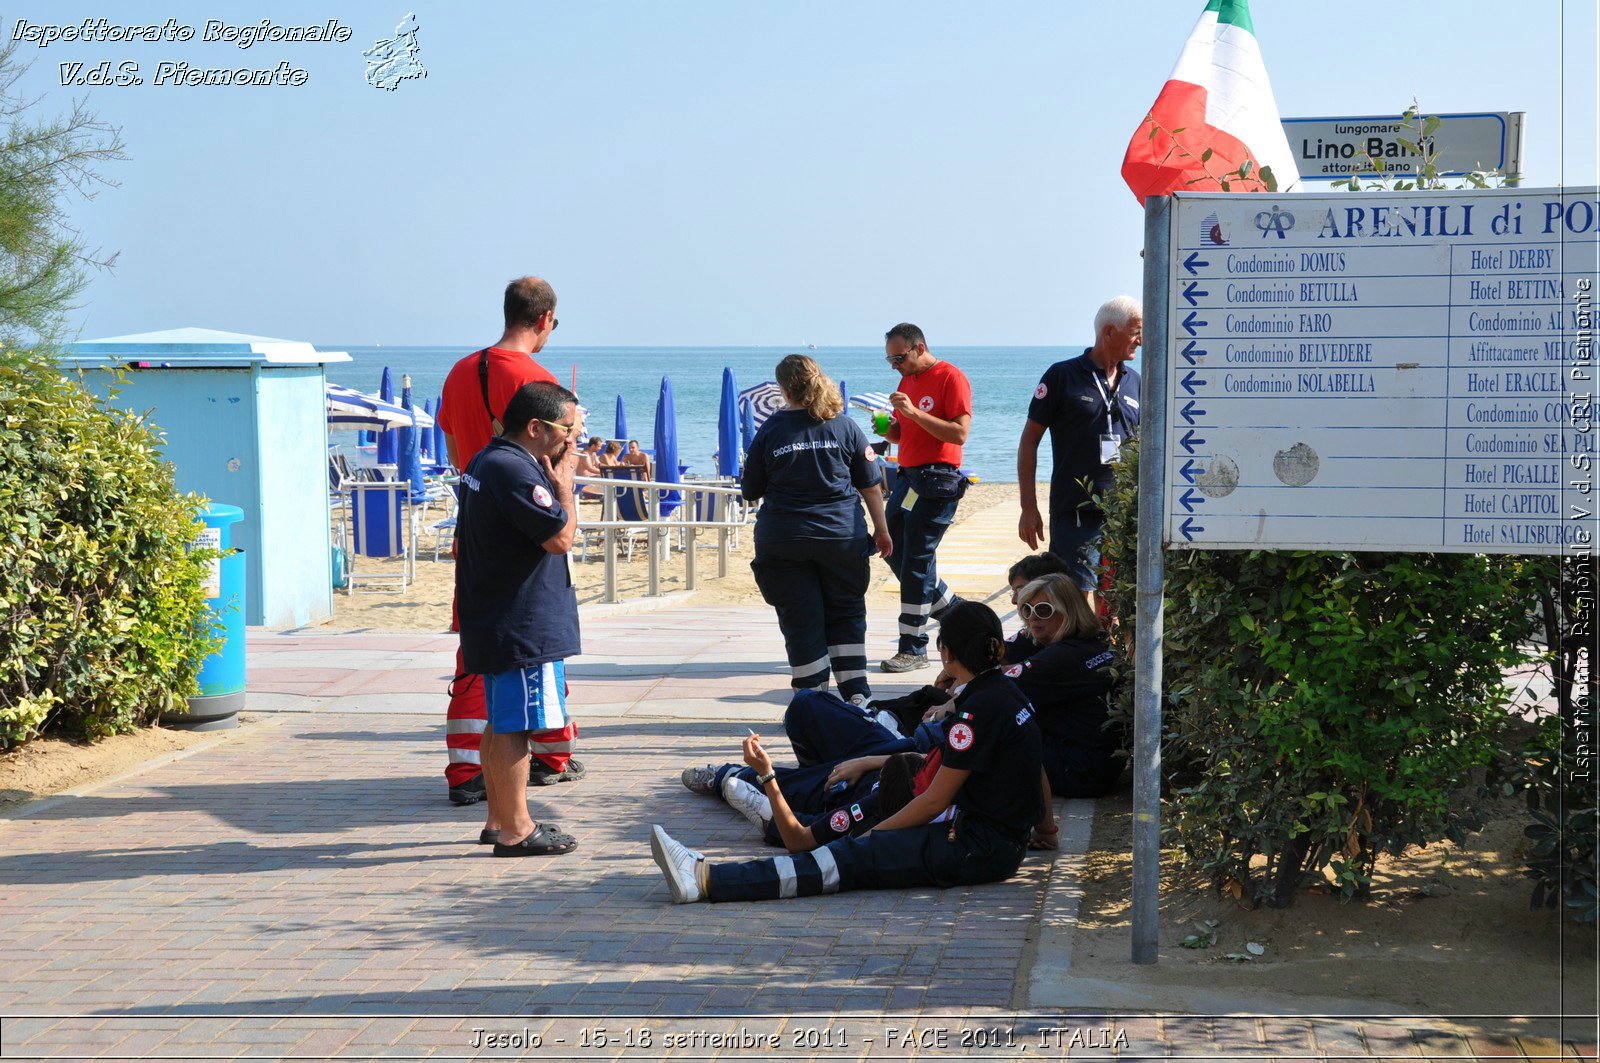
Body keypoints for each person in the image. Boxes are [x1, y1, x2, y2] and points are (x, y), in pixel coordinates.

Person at [649, 601, 1044, 903]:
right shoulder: (1008, 694)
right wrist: (1045, 830)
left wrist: (873, 837)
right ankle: (743, 813)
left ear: (946, 654)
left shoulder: (974, 714)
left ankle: (706, 880)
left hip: (980, 847)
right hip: (997, 840)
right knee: (838, 845)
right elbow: (1036, 767)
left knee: (845, 860)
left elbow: (932, 801)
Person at [436, 276, 585, 808]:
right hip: (529, 523)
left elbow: (455, 449)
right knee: (537, 647)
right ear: (545, 319)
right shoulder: (538, 381)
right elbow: (559, 456)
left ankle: (463, 767)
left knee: (474, 652)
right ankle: (550, 755)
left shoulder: (459, 372)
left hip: (475, 522)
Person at [456, 381, 584, 857]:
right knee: (516, 727)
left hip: (496, 614)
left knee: (500, 721)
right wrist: (566, 491)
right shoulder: (514, 469)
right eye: (566, 430)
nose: (572, 441)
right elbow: (559, 538)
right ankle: (516, 829)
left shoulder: (486, 458)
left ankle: (499, 818)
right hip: (519, 620)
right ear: (535, 427)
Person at [742, 354, 893, 704]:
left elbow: (750, 491)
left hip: (783, 538)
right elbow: (871, 486)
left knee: (800, 619)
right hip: (841, 535)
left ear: (783, 388)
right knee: (847, 612)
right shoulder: (844, 426)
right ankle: (857, 697)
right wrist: (882, 531)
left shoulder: (770, 430)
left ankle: (812, 700)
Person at [1017, 296, 1143, 599]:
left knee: (1117, 595)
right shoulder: (1063, 376)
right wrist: (1028, 506)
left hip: (1125, 510)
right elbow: (1029, 442)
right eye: (1136, 331)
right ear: (1109, 332)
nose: (1141, 340)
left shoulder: (1136, 382)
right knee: (1073, 596)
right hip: (1075, 508)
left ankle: (1110, 648)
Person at [873, 323, 973, 674]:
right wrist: (888, 429)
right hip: (908, 478)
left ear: (919, 347)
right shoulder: (906, 381)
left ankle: (913, 648)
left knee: (916, 558)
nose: (895, 365)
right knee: (889, 548)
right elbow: (904, 435)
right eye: (890, 360)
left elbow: (959, 434)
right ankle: (956, 612)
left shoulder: (950, 376)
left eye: (899, 357)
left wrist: (914, 412)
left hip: (937, 479)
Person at [1002, 573, 1123, 798]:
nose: (1033, 618)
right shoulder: (1093, 641)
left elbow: (993, 692)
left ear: (1068, 611)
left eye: (1044, 610)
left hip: (1079, 771)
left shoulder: (1062, 657)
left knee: (990, 724)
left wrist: (953, 695)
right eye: (1027, 610)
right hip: (1097, 765)